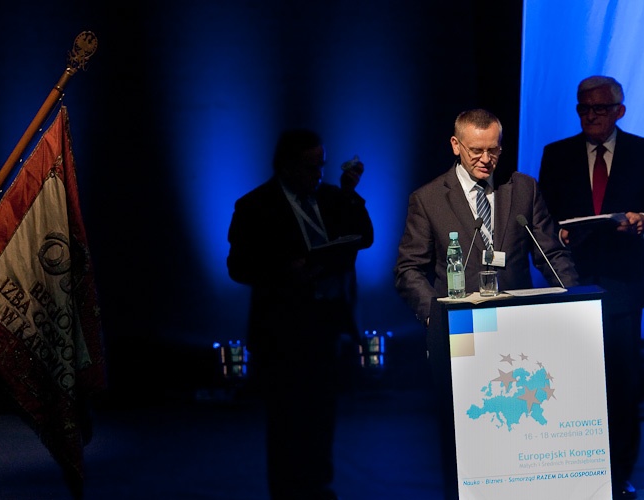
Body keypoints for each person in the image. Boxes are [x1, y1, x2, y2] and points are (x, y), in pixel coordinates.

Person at [538, 75, 644, 500]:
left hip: (622, 284)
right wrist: (557, 234)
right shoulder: (557, 154)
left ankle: (619, 474)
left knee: (620, 381)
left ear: (620, 111)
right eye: (584, 108)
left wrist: (642, 221)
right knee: (570, 380)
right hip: (571, 280)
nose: (591, 116)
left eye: (599, 108)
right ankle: (574, 468)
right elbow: (542, 216)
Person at [226, 128, 374, 500]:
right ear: (287, 166)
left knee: (322, 414)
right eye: (311, 167)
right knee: (286, 419)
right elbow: (237, 266)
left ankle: (319, 487)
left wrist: (349, 192)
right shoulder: (255, 205)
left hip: (326, 325)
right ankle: (287, 492)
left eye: (322, 166)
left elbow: (365, 236)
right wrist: (284, 271)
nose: (318, 175)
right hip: (282, 329)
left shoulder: (330, 196)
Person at [394, 108, 579, 324]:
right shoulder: (429, 199)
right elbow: (409, 269)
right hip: (460, 323)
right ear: (456, 145)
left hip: (517, 318)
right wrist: (435, 315)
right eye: (476, 150)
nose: (485, 159)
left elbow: (551, 254)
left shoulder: (523, 189)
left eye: (493, 150)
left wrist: (577, 299)